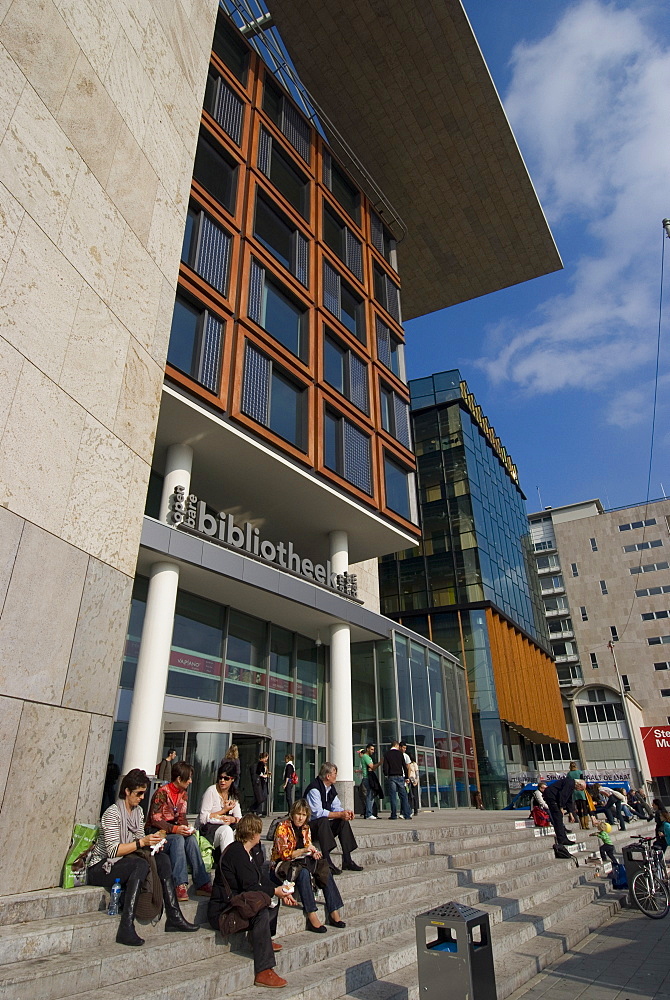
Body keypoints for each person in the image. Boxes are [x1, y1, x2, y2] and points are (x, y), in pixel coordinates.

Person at [87, 768, 198, 946]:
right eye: (138, 793)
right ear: (127, 791)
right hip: (102, 865)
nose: (141, 798)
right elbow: (113, 851)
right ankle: (126, 925)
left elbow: (139, 839)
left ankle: (174, 915)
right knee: (139, 865)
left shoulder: (138, 812)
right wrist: (142, 843)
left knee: (162, 860)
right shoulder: (112, 813)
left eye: (144, 794)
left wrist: (153, 842)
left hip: (126, 859)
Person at [208, 813, 298, 988]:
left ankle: (263, 938)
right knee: (262, 908)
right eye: (258, 832)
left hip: (235, 905)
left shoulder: (246, 852)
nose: (259, 836)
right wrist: (274, 891)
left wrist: (280, 891)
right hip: (223, 912)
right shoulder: (237, 853)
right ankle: (264, 970)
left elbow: (260, 880)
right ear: (252, 834)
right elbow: (250, 885)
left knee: (270, 898)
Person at [272, 800, 345, 932]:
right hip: (284, 864)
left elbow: (308, 845)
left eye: (303, 815)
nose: (300, 818)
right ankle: (311, 914)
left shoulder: (306, 828)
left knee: (324, 868)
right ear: (292, 814)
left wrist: (313, 853)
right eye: (298, 814)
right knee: (304, 872)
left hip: (302, 860)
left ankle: (334, 910)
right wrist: (303, 851)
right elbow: (283, 854)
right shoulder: (283, 827)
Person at [147, 759, 212, 902]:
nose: (190, 781)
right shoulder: (162, 793)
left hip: (173, 830)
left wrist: (186, 828)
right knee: (178, 839)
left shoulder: (183, 794)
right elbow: (155, 819)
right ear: (178, 778)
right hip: (158, 832)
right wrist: (175, 829)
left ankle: (202, 882)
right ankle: (179, 884)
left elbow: (181, 816)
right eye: (188, 778)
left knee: (190, 839)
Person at [305, 763, 362, 873]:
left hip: (323, 827)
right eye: (335, 774)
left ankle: (347, 859)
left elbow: (336, 807)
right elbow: (318, 812)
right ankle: (327, 861)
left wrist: (345, 813)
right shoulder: (314, 789)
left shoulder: (330, 789)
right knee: (323, 821)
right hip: (311, 828)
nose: (336, 776)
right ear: (328, 776)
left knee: (342, 821)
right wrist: (339, 814)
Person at [199, 767, 242, 856]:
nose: (222, 781)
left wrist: (232, 819)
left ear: (232, 779)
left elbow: (240, 819)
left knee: (242, 831)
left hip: (225, 829)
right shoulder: (211, 791)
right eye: (220, 778)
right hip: (208, 831)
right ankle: (228, 865)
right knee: (226, 830)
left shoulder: (233, 795)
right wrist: (224, 811)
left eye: (226, 778)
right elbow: (202, 819)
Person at [543, 776, 586, 845]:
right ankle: (561, 839)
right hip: (551, 796)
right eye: (581, 789)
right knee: (558, 816)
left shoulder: (571, 785)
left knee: (559, 816)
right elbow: (563, 795)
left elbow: (569, 800)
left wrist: (570, 813)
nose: (579, 790)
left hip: (554, 797)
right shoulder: (570, 783)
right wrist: (561, 807)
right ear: (579, 784)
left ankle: (564, 838)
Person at [382, 740, 411, 821]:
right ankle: (407, 814)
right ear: (397, 745)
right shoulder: (400, 754)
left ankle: (393, 814)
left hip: (391, 776)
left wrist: (386, 774)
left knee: (393, 796)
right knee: (403, 796)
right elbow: (404, 766)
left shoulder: (387, 754)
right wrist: (407, 777)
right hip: (400, 776)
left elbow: (385, 766)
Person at [359, 743, 378, 819]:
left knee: (371, 795)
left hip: (368, 777)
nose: (373, 751)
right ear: (367, 749)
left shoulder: (369, 758)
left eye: (373, 749)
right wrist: (379, 763)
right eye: (371, 749)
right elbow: (372, 767)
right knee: (369, 795)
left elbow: (372, 768)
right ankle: (368, 813)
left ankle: (369, 812)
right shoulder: (366, 757)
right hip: (366, 778)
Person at [250, 752, 269, 816]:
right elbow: (259, 772)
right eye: (266, 758)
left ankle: (256, 810)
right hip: (261, 782)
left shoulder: (262, 764)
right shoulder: (261, 763)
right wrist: (265, 775)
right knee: (261, 797)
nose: (267, 759)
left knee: (260, 797)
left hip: (261, 782)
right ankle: (255, 809)